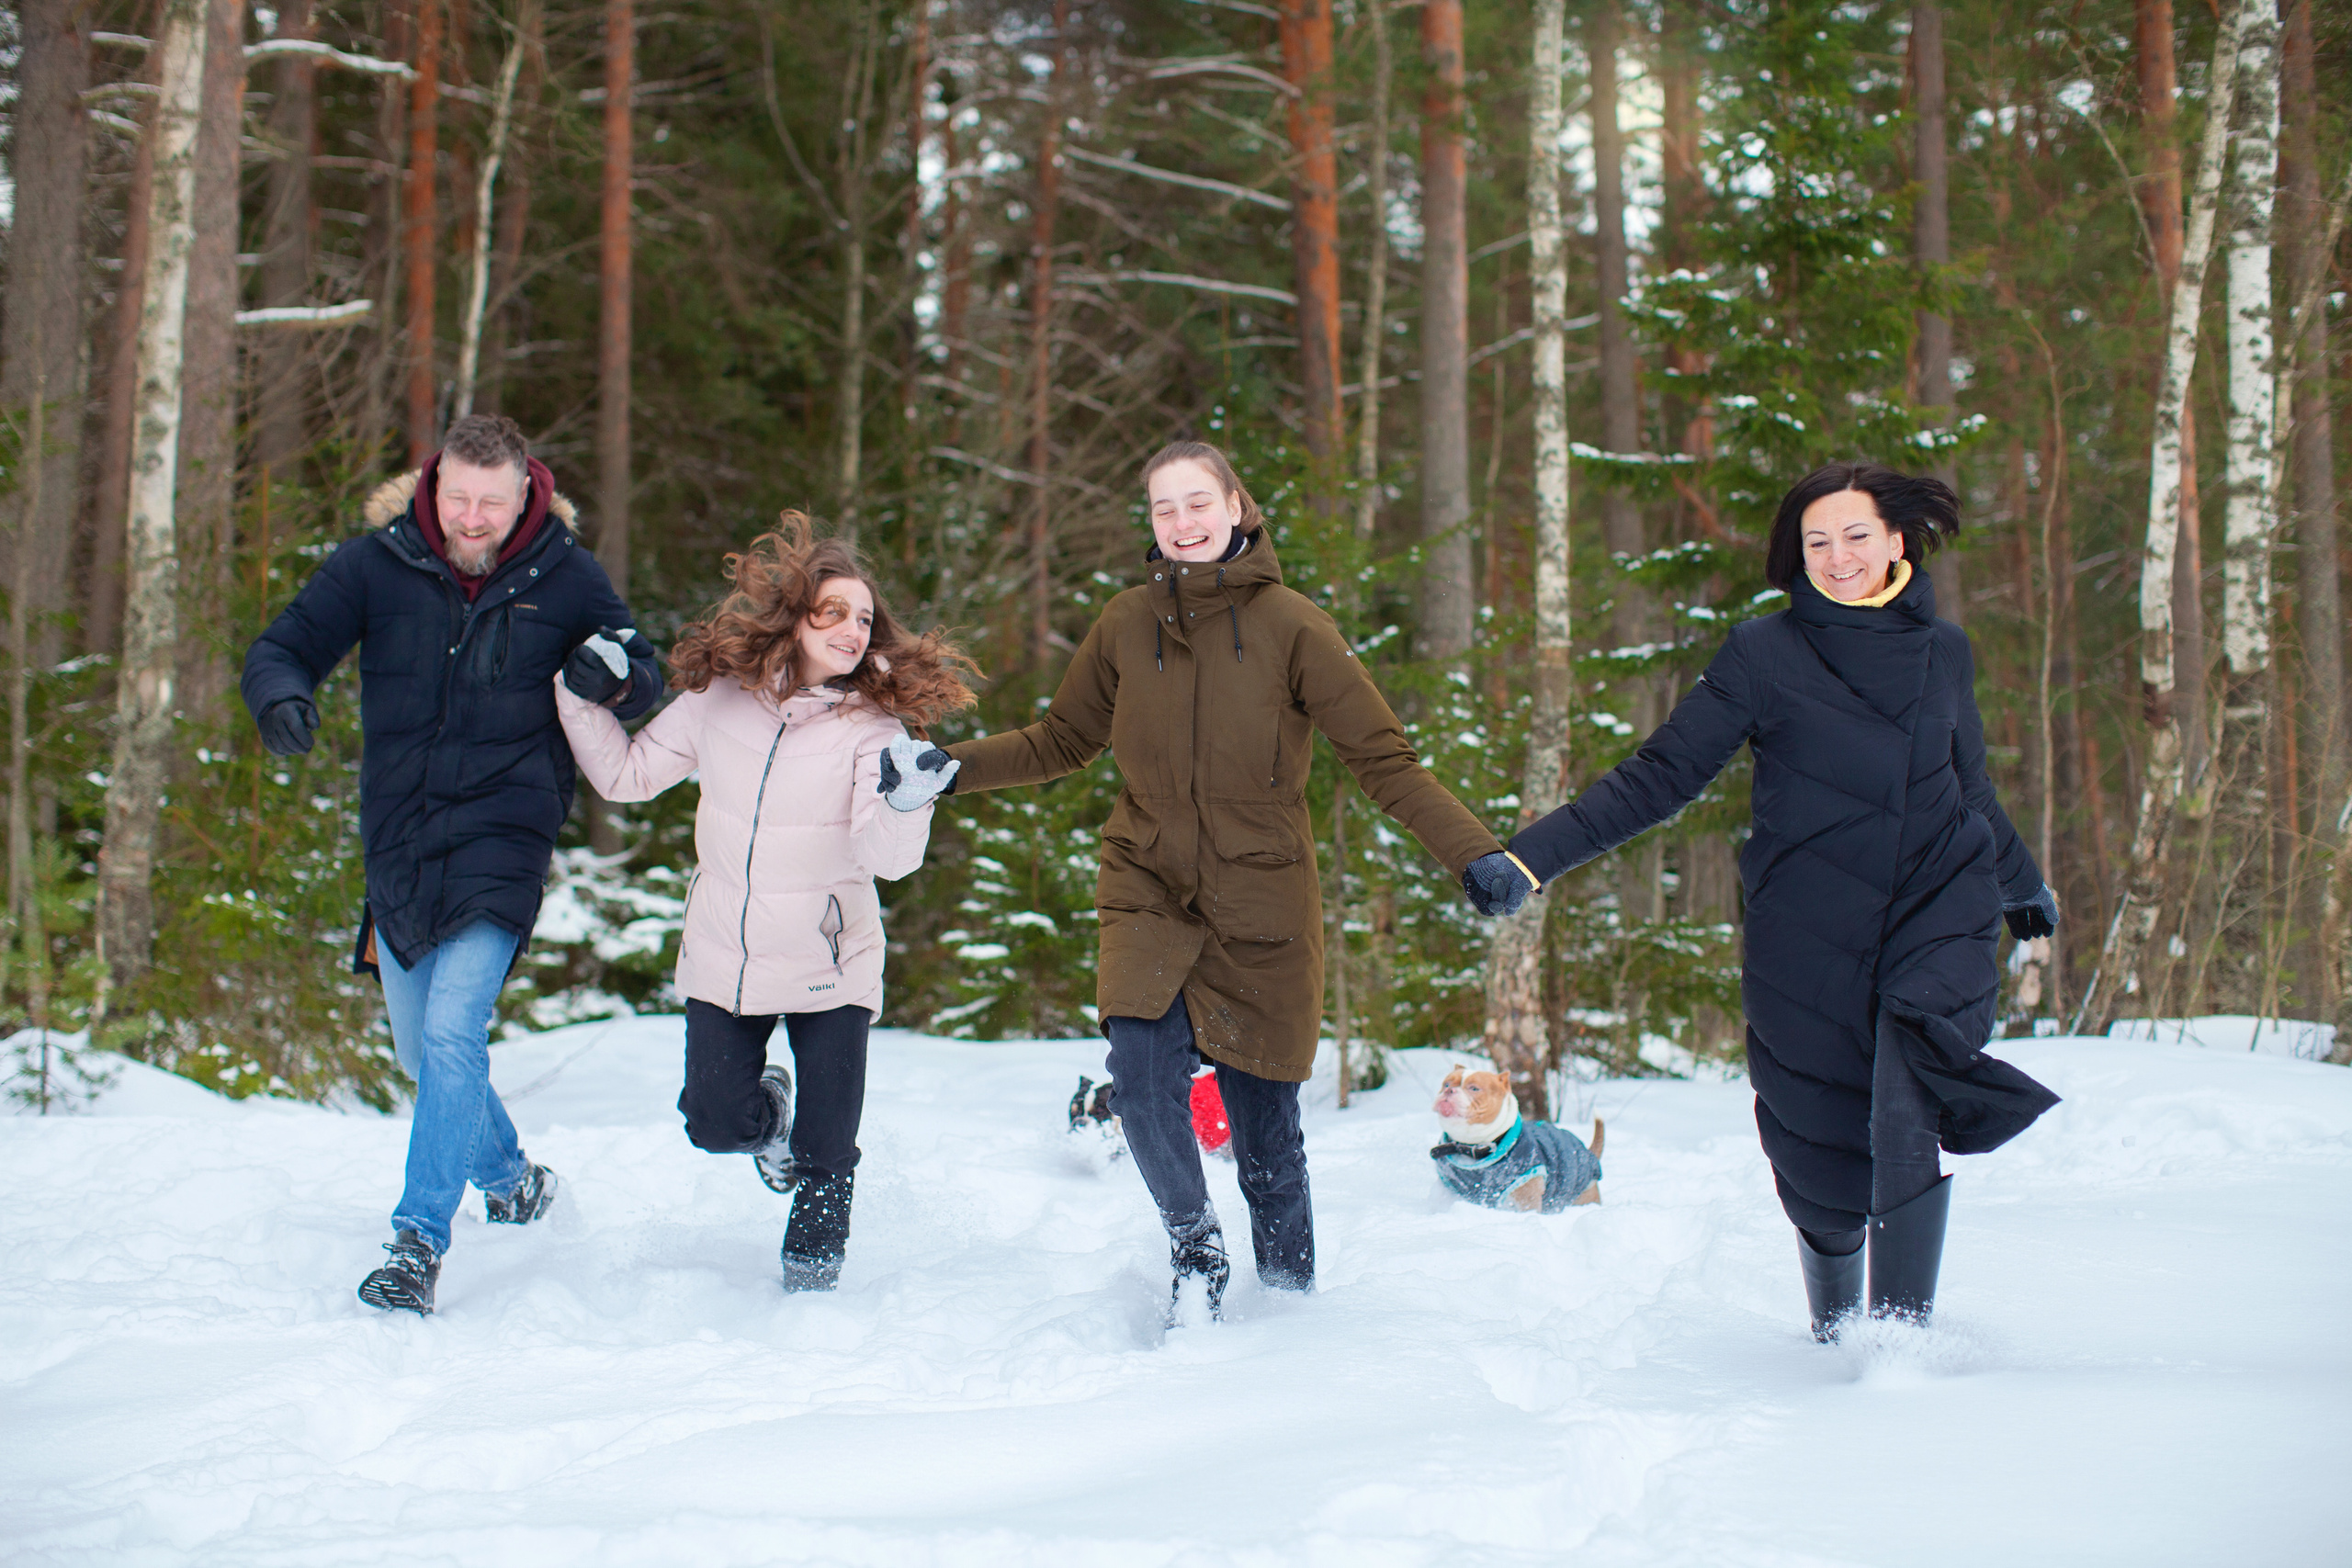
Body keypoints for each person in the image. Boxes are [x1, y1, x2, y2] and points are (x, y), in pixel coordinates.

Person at [939, 439, 1532, 1320]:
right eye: (1163, 508)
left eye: (1197, 503)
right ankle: (1196, 1251)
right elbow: (1062, 738)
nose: (1182, 523)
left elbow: (1382, 758)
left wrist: (1473, 852)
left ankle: (1289, 1313)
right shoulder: (1125, 623)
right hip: (1147, 882)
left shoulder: (1293, 624)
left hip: (1262, 899)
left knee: (1267, 1145)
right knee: (1140, 1081)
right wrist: (948, 769)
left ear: (1234, 506)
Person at [1501, 462, 2061, 1340]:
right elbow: (1661, 775)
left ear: (1897, 541)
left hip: (1938, 901)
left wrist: (2021, 885)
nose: (1839, 556)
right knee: (1817, 1146)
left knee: (1909, 1074)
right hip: (1808, 923)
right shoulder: (1762, 653)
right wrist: (1530, 860)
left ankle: (1900, 1347)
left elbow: (1971, 786)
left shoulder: (1944, 650)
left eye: (1857, 536)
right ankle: (1836, 1329)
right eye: (1817, 541)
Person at [241, 413, 662, 1315]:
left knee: (449, 1033)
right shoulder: (375, 564)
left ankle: (416, 1243)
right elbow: (284, 647)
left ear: (526, 494)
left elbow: (641, 670)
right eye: (458, 498)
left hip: (506, 836)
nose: (472, 519)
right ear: (433, 486)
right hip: (399, 840)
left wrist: (613, 677)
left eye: (491, 504)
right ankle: (511, 1178)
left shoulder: (566, 575)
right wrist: (280, 698)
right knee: (421, 1052)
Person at [556, 515, 977, 1292]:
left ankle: (813, 1308)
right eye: (835, 611)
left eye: (864, 618)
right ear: (795, 616)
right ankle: (768, 1117)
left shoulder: (875, 729)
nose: (853, 630)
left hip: (832, 960)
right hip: (728, 952)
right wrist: (580, 700)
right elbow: (626, 776)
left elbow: (889, 861)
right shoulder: (720, 699)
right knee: (713, 1123)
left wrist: (907, 798)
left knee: (827, 1156)